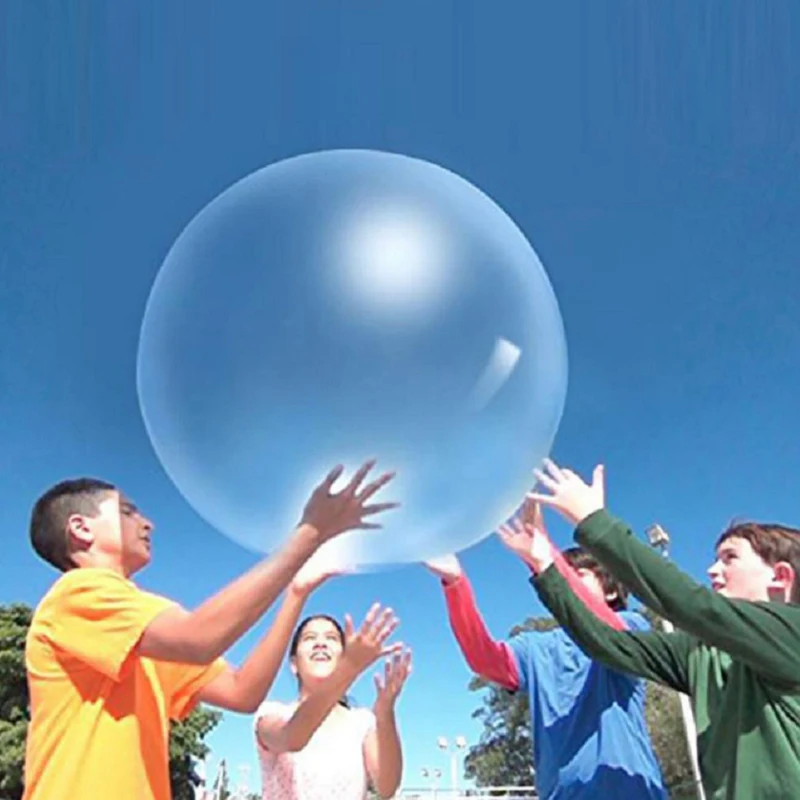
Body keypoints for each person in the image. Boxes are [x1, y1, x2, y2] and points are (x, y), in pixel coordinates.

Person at [23, 460, 398, 800]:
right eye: (126, 511)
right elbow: (198, 639)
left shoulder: (141, 638)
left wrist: (296, 594)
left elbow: (242, 692)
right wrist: (309, 534)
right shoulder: (77, 594)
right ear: (80, 529)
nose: (146, 522)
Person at [524, 458, 800, 799]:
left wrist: (594, 523)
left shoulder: (793, 635)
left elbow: (691, 604)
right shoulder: (702, 654)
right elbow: (610, 644)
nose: (713, 569)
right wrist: (543, 567)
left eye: (730, 558)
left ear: (781, 577)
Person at [424, 500, 667, 800]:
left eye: (577, 575)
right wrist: (455, 583)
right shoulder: (536, 646)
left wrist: (544, 557)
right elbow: (484, 660)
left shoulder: (631, 624)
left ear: (612, 590)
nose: (564, 581)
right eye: (563, 574)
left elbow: (607, 632)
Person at [254, 601, 411, 800]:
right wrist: (349, 669)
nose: (320, 643)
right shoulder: (272, 713)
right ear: (294, 664)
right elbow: (292, 738)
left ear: (342, 656)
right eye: (310, 638)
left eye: (331, 638)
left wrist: (385, 712)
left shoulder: (361, 721)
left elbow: (387, 787)